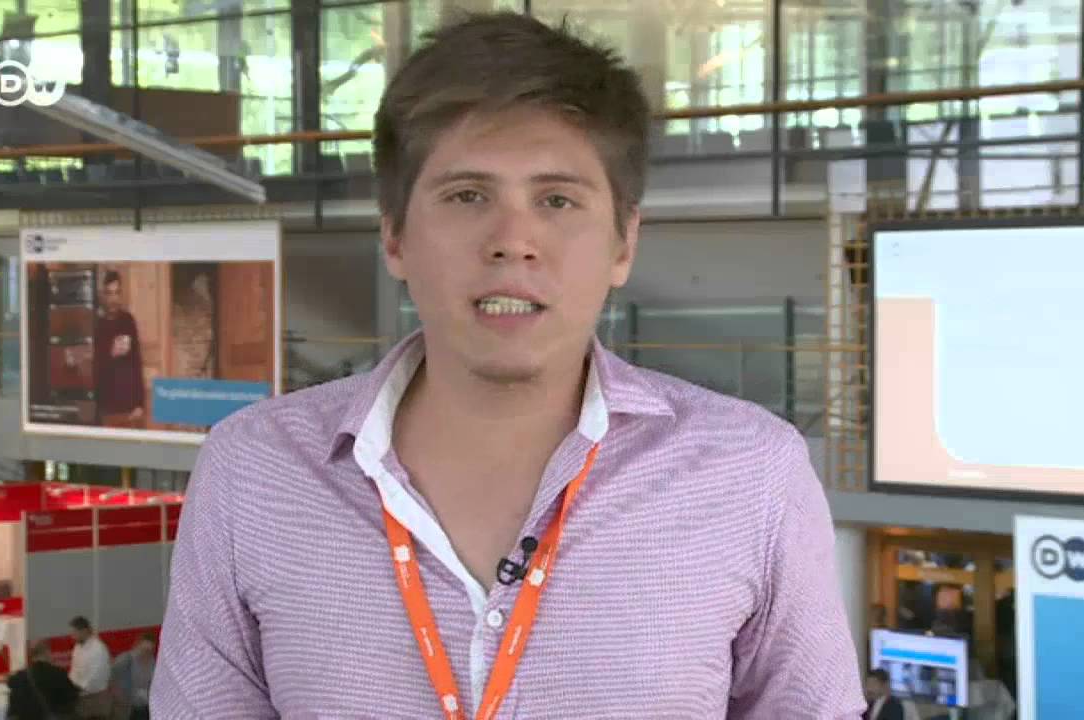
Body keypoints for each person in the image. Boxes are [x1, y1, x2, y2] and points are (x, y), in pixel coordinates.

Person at [153, 11, 864, 718]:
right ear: (394, 236)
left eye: (557, 199)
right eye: (468, 196)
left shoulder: (752, 476)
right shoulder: (253, 472)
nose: (513, 240)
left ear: (623, 243)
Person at [94, 270, 145, 427]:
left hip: (129, 408)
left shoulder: (128, 321)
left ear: (121, 295)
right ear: (104, 296)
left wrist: (140, 403)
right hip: (107, 408)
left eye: (116, 293)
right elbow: (94, 368)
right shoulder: (98, 325)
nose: (113, 299)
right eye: (109, 293)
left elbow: (136, 361)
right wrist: (110, 353)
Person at [7, 641, 81, 720]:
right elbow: (72, 698)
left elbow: (14, 708)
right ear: (47, 653)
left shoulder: (19, 677)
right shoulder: (58, 673)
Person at [67, 616, 112, 719]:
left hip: (96, 698)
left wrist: (79, 688)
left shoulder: (98, 648)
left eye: (74, 633)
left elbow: (96, 676)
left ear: (84, 631)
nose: (72, 636)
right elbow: (74, 670)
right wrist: (70, 686)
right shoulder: (77, 648)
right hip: (81, 697)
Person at [110, 633, 156, 720]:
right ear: (138, 645)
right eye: (144, 649)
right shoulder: (125, 660)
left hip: (144, 706)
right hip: (126, 706)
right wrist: (119, 697)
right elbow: (112, 678)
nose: (146, 653)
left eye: (149, 650)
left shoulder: (152, 662)